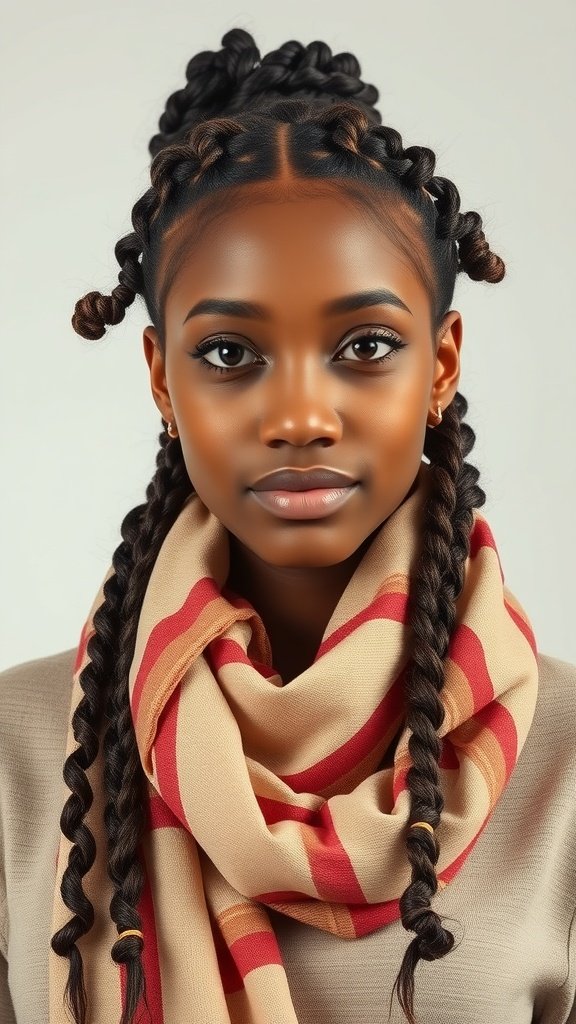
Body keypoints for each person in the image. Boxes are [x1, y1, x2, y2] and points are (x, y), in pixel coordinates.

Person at [1, 25, 574, 1024]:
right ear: (159, 379)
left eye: (364, 344)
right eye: (229, 352)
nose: (302, 415)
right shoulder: (20, 748)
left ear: (441, 365)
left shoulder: (565, 765)